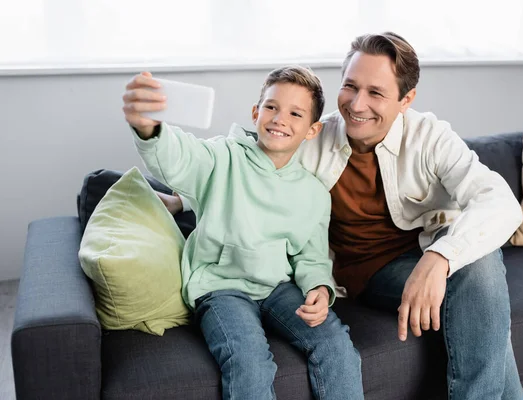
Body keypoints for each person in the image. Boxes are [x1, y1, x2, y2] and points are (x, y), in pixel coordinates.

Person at [161, 32, 523, 399]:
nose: (356, 104)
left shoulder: (430, 137)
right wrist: (184, 199)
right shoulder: (313, 134)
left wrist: (440, 257)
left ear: (406, 100)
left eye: (376, 93)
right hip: (365, 275)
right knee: (485, 302)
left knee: (480, 269)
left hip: (420, 260)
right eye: (350, 86)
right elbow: (247, 165)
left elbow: (499, 201)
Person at [122, 66, 364, 400]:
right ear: (256, 113)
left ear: (312, 130)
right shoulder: (222, 156)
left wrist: (320, 289)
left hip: (279, 288)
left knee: (336, 344)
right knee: (249, 361)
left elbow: (311, 256)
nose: (280, 119)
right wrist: (150, 129)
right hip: (222, 287)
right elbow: (179, 157)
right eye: (272, 107)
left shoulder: (314, 194)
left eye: (295, 113)